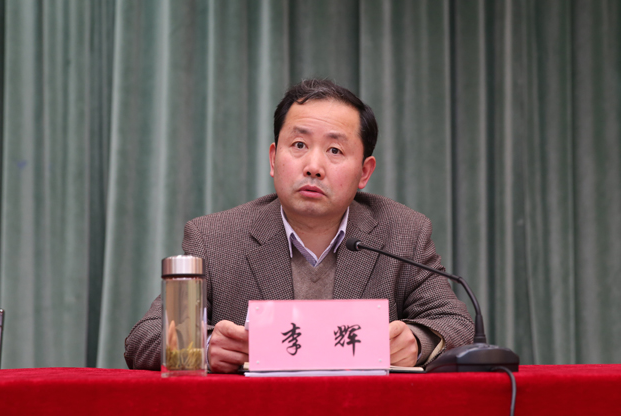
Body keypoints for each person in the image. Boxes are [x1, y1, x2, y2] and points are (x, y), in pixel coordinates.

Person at [124, 79, 474, 373]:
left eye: (335, 150)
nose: (313, 166)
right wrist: (204, 346)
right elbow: (144, 338)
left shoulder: (402, 232)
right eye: (299, 145)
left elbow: (455, 323)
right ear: (273, 158)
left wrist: (416, 342)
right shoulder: (215, 239)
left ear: (364, 172)